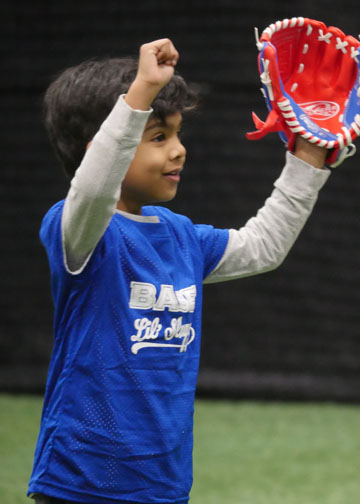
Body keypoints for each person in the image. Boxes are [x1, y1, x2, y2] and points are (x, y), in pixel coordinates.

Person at [28, 39, 330, 504]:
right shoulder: (80, 229)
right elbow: (91, 189)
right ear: (106, 148)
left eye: (177, 134)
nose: (179, 151)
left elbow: (264, 246)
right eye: (158, 137)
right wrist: (142, 92)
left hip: (164, 484)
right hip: (80, 482)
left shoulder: (182, 236)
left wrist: (307, 160)